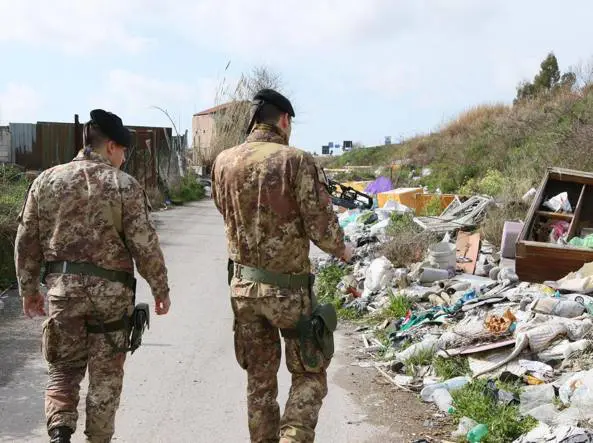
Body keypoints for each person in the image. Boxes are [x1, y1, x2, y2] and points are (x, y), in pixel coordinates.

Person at [14, 109, 171, 443]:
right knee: (105, 379)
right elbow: (145, 245)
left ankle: (59, 432)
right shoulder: (124, 186)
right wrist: (160, 288)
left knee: (63, 370)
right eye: (124, 151)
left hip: (63, 295)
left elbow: (26, 240)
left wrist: (28, 289)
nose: (124, 158)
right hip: (110, 301)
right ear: (111, 147)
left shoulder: (47, 180)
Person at [211, 89, 354, 443]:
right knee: (310, 373)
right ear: (285, 120)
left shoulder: (224, 161)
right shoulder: (297, 161)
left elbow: (224, 210)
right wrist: (343, 250)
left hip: (243, 290)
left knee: (259, 381)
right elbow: (321, 226)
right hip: (288, 293)